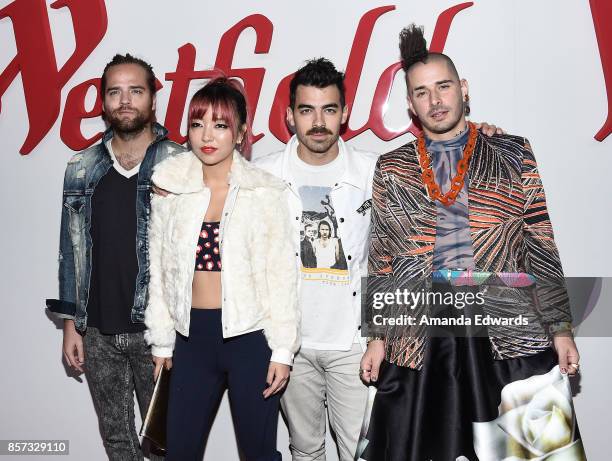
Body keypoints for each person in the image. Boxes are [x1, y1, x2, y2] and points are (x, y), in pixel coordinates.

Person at [358, 24, 586, 461]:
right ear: (410, 103)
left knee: (523, 452)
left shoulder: (512, 152)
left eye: (443, 87)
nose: (435, 100)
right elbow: (382, 259)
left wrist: (561, 328)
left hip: (508, 325)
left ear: (463, 89)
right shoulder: (393, 167)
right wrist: (377, 337)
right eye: (421, 92)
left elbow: (540, 243)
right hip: (420, 332)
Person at [145, 75, 299, 461]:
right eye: (197, 124)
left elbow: (281, 274)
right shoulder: (171, 189)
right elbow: (160, 271)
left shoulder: (264, 192)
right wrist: (162, 340)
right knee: (179, 452)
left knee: (259, 453)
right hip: (191, 338)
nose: (206, 135)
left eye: (220, 124)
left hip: (250, 339)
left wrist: (282, 349)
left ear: (241, 131)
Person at [45, 53, 184, 460]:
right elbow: (69, 252)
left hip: (159, 332)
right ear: (103, 102)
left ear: (152, 100)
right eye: (115, 92)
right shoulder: (81, 166)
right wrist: (71, 323)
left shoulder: (180, 163)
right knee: (118, 442)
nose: (125, 101)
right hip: (99, 333)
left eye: (135, 91)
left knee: (165, 442)